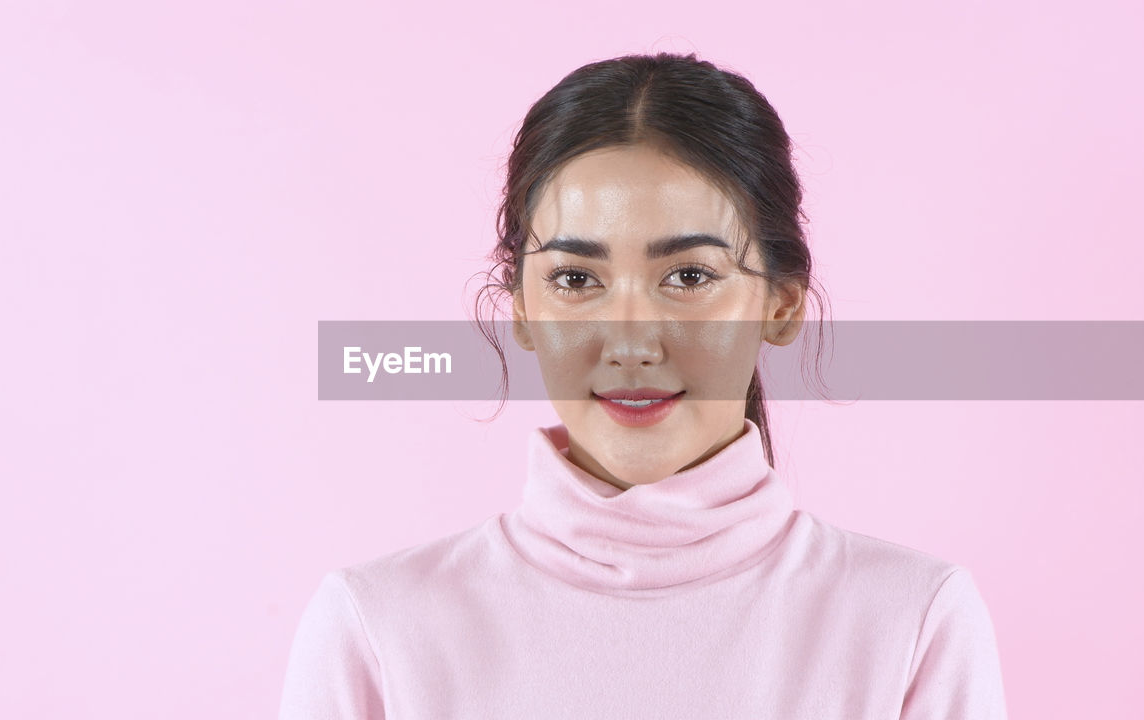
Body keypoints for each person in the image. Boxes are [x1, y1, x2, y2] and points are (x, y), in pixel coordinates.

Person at [280, 52, 1008, 719]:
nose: (630, 342)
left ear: (781, 303)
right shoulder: (378, 628)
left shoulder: (913, 621)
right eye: (575, 279)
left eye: (689, 276)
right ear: (523, 310)